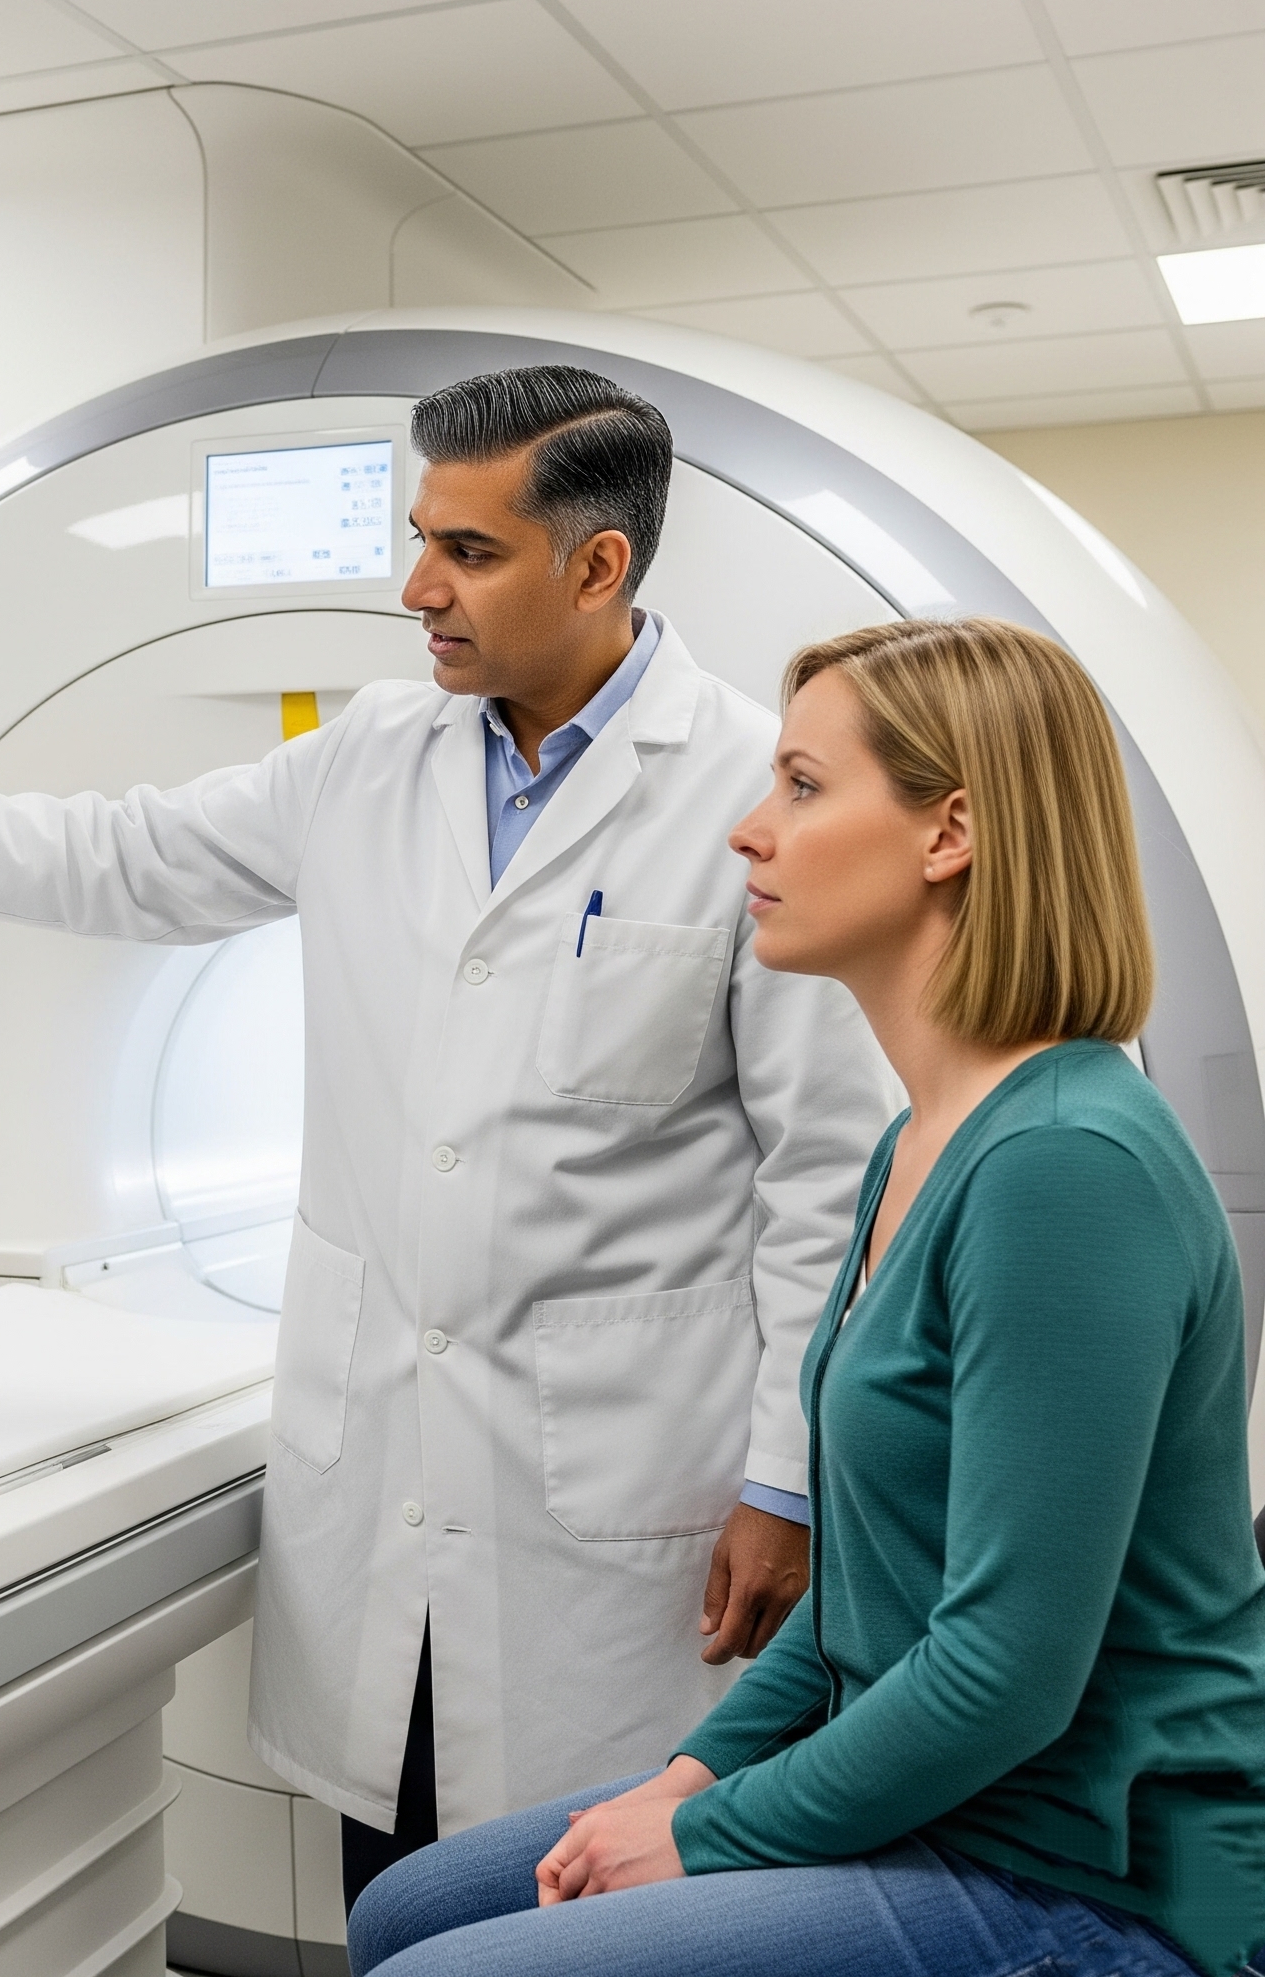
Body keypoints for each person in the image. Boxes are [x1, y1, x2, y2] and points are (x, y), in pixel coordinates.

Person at [0, 366, 895, 1909]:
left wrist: (787, 1480)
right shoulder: (376, 755)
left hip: (626, 1498)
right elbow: (128, 858)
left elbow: (828, 1181)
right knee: (400, 1888)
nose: (415, 587)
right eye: (419, 536)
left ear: (598, 567)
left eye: (469, 553)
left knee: (599, 1900)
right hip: (388, 1457)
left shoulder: (745, 795)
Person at [345, 616, 1265, 1977]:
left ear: (950, 833)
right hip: (954, 1804)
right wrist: (688, 1775)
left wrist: (710, 1839)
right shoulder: (921, 1140)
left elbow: (1005, 1674)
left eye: (803, 786)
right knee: (403, 1912)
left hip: (1091, 1871)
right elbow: (860, 1611)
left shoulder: (1063, 1169)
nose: (747, 831)